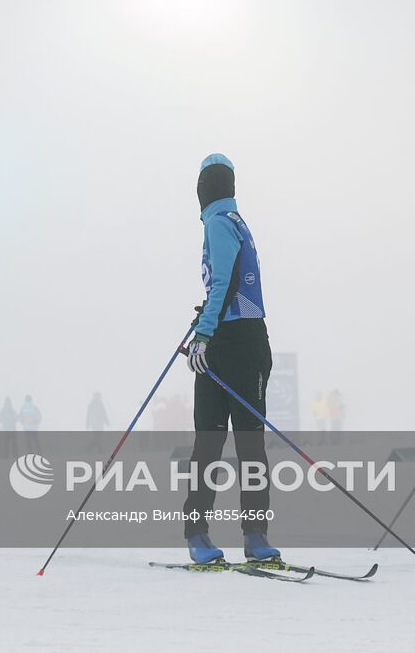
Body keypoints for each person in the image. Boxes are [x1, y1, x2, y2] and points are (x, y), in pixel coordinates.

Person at [181, 154, 278, 564]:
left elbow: (224, 281)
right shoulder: (231, 221)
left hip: (236, 343)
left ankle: (242, 534)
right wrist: (204, 320)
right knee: (221, 441)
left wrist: (203, 333)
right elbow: (223, 287)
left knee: (235, 443)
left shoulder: (221, 224)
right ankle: (223, 534)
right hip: (227, 337)